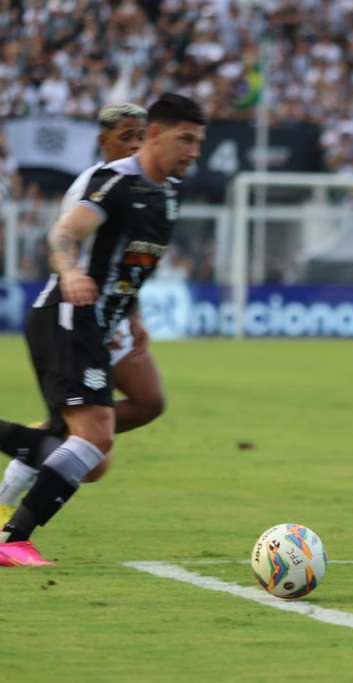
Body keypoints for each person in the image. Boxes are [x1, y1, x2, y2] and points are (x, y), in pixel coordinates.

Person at [0, 93, 206, 567]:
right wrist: (71, 272)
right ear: (157, 134)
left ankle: (22, 508)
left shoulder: (167, 196)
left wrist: (130, 315)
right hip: (70, 317)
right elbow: (64, 234)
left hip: (100, 324)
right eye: (186, 139)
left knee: (101, 440)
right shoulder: (112, 183)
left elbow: (132, 264)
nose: (194, 151)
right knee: (94, 441)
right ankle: (13, 538)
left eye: (198, 142)